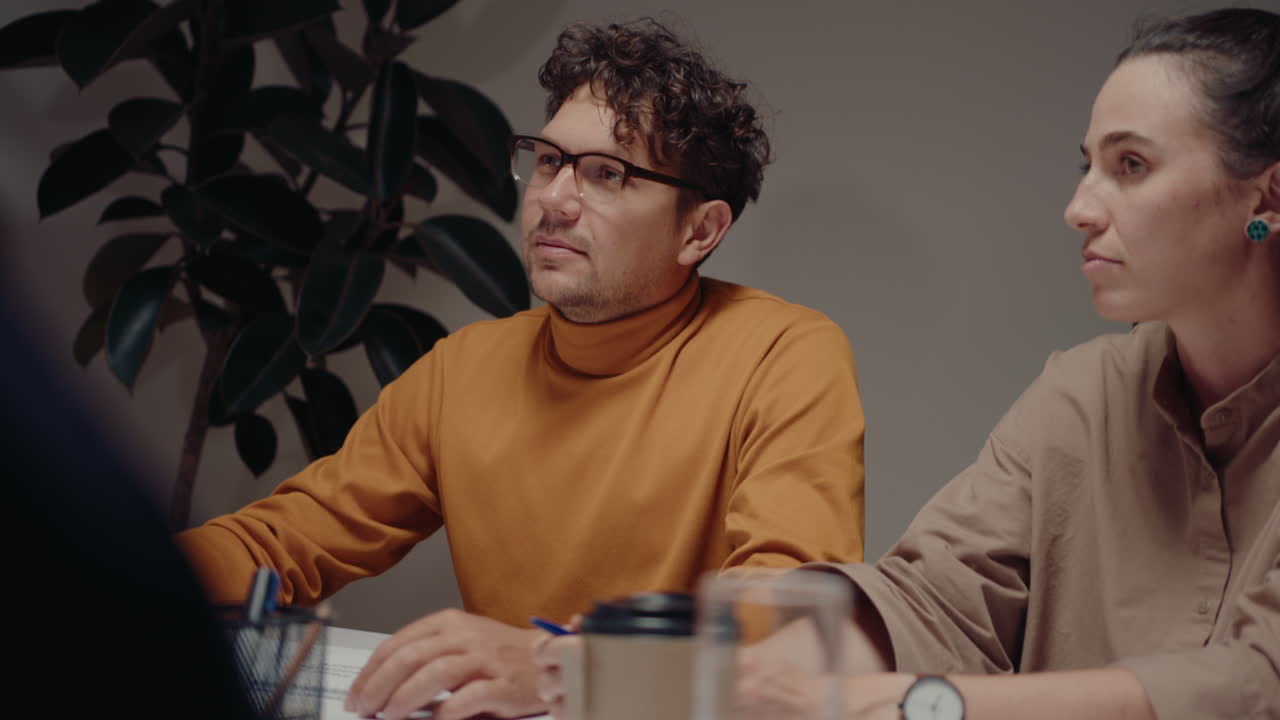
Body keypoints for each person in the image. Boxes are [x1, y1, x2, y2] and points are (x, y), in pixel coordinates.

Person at [529, 7, 1280, 720]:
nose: (1080, 207)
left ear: (1268, 194)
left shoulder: (782, 350)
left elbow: (1257, 682)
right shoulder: (1080, 395)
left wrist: (912, 705)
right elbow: (932, 599)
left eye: (1132, 165)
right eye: (1088, 165)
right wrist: (733, 682)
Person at [178, 18, 867, 720]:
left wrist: (561, 669)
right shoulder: (463, 370)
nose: (554, 200)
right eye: (547, 160)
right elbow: (281, 540)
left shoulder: (784, 354)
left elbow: (792, 623)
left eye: (608, 174)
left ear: (700, 231)